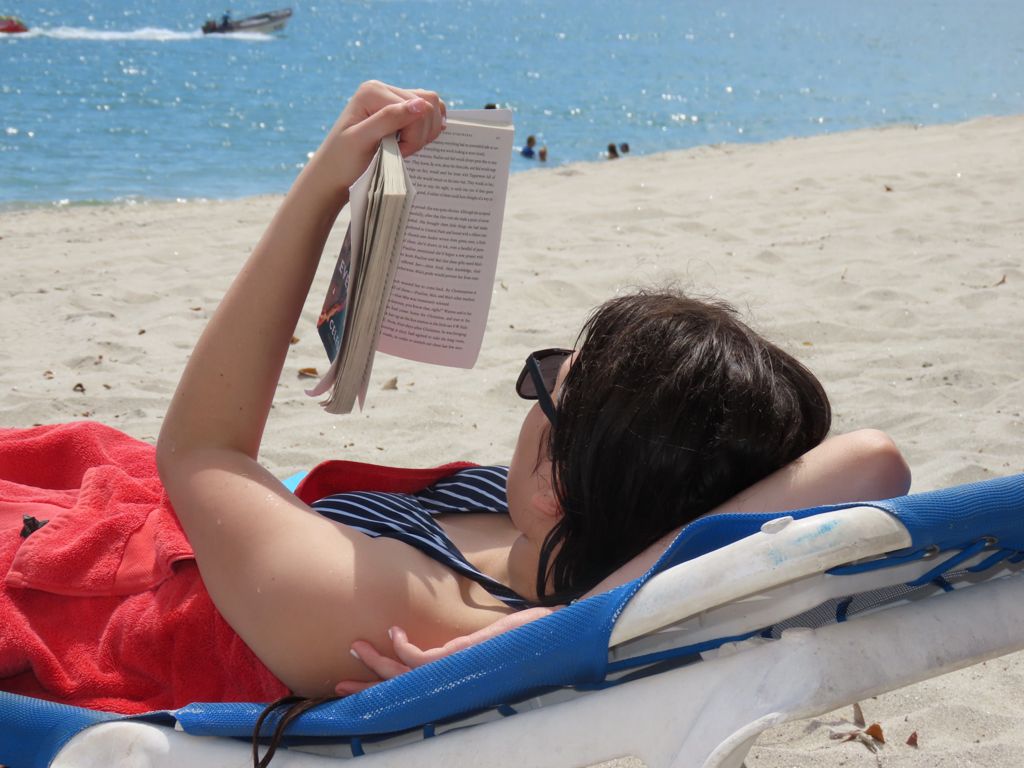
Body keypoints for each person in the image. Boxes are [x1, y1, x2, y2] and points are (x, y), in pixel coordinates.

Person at [1, 81, 911, 727]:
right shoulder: (557, 554)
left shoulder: (405, 615)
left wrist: (322, 186)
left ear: (564, 477)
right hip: (129, 525)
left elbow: (200, 449)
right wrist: (579, 618)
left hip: (74, 603)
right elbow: (873, 458)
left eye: (550, 383)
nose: (531, 389)